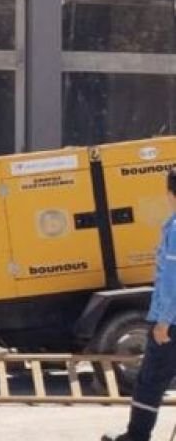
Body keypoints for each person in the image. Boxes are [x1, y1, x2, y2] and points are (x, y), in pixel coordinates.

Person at [103, 168, 176, 441]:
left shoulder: (175, 228)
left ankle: (137, 436)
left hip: (171, 321)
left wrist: (164, 321)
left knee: (151, 380)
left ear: (170, 194)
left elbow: (172, 279)